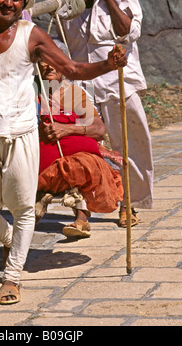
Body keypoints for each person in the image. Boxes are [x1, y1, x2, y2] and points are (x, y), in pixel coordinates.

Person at [0, 0, 127, 305]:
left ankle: (11, 278)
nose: (9, 2)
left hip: (21, 131)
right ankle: (14, 240)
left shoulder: (32, 35)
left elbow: (73, 69)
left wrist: (109, 64)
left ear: (24, 0)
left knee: (24, 207)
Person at [51, 0, 154, 227]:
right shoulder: (65, 2)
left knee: (129, 147)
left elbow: (128, 32)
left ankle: (128, 205)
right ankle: (81, 212)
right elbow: (58, 42)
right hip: (80, 85)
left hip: (119, 82)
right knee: (81, 147)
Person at [35, 59, 124, 237]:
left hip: (71, 162)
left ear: (64, 67)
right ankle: (38, 198)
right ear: (36, 65)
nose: (50, 66)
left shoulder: (73, 94)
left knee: (83, 164)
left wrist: (67, 129)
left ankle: (81, 218)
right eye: (43, 61)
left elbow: (99, 129)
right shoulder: (31, 91)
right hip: (40, 162)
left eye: (54, 61)